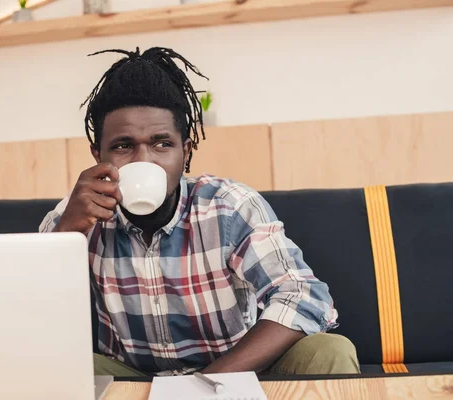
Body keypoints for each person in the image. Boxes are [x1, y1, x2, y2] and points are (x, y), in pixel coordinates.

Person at [40, 47, 360, 377]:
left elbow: (305, 296)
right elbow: (35, 318)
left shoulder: (229, 207)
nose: (144, 160)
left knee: (329, 351)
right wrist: (68, 234)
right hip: (134, 378)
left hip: (232, 372)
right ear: (98, 154)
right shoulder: (77, 214)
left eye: (162, 143)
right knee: (54, 366)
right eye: (123, 146)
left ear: (186, 151)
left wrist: (204, 385)